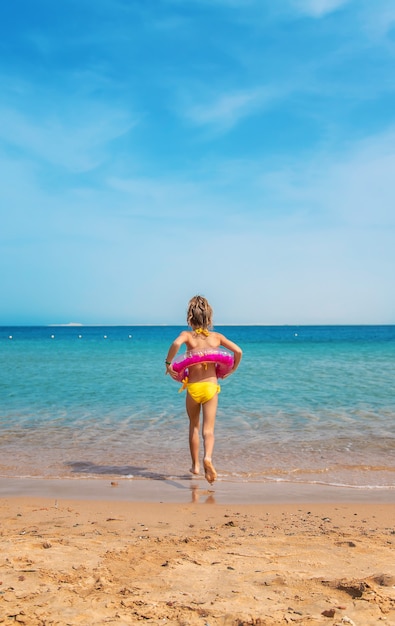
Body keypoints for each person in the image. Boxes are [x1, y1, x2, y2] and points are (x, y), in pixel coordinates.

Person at [165, 295, 242, 484]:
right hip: (210, 387)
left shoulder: (187, 336)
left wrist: (168, 364)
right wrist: (232, 369)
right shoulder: (217, 337)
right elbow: (238, 351)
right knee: (208, 430)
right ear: (209, 319)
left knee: (194, 426)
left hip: (193, 387)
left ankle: (196, 466)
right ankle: (207, 457)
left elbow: (175, 344)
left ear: (189, 319)